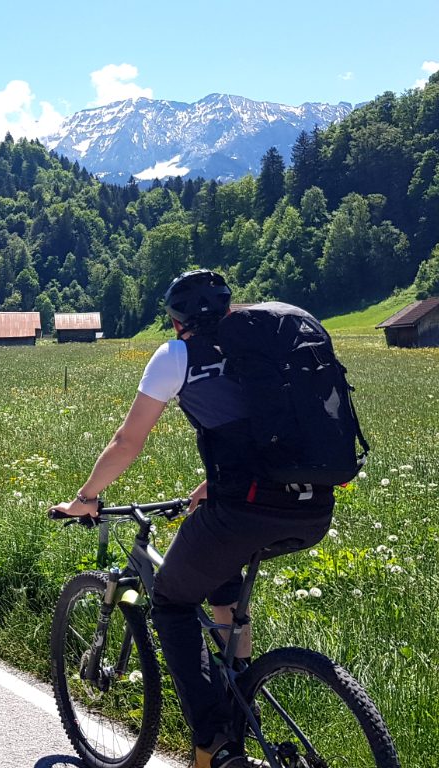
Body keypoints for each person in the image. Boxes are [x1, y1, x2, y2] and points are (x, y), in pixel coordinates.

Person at [49, 270, 333, 768]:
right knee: (220, 576)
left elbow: (127, 442)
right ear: (228, 308)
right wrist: (212, 486)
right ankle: (242, 692)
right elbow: (267, 434)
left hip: (245, 511)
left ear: (177, 320)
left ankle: (214, 745)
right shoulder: (266, 346)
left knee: (171, 602)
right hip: (313, 506)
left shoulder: (177, 355)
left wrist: (85, 498)